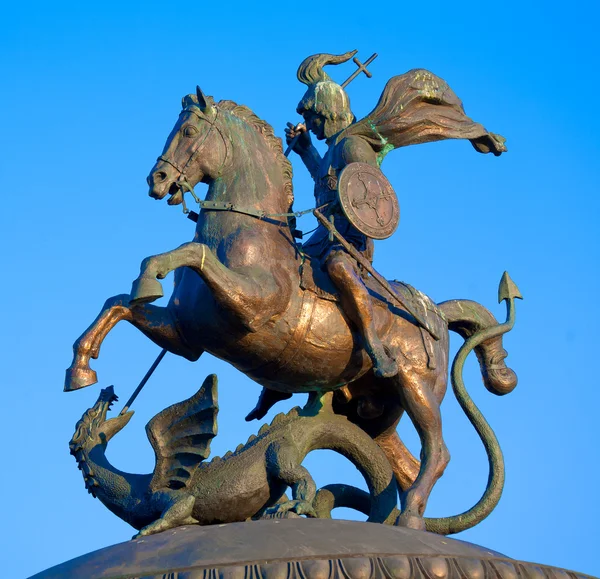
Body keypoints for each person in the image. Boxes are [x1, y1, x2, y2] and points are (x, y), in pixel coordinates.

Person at [285, 51, 507, 379]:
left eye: (315, 119)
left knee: (338, 268)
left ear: (327, 112)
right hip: (326, 234)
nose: (313, 126)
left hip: (350, 240)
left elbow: (368, 193)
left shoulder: (352, 146)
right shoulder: (334, 147)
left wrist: (342, 213)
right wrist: (306, 150)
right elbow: (326, 178)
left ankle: (373, 343)